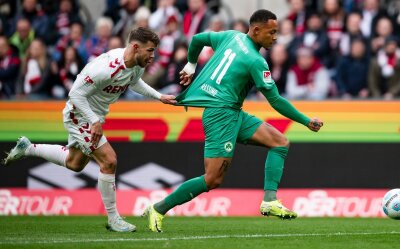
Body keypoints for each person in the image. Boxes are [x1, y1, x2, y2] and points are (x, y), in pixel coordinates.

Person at [143, 9, 323, 232]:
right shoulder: (256, 61)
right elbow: (275, 100)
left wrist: (191, 64)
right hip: (221, 115)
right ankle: (159, 208)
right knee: (212, 180)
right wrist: (306, 121)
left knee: (280, 142)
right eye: (271, 32)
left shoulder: (231, 36)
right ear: (256, 30)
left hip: (233, 112)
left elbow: (198, 39)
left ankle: (269, 201)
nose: (275, 37)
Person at [2, 27, 176, 232]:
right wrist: (94, 121)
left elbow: (134, 81)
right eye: (150, 50)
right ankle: (114, 219)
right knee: (109, 161)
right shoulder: (105, 67)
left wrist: (159, 97)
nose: (153, 55)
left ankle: (29, 148)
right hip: (79, 114)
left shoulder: (136, 64)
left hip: (94, 116)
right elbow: (75, 94)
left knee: (74, 164)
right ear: (136, 47)